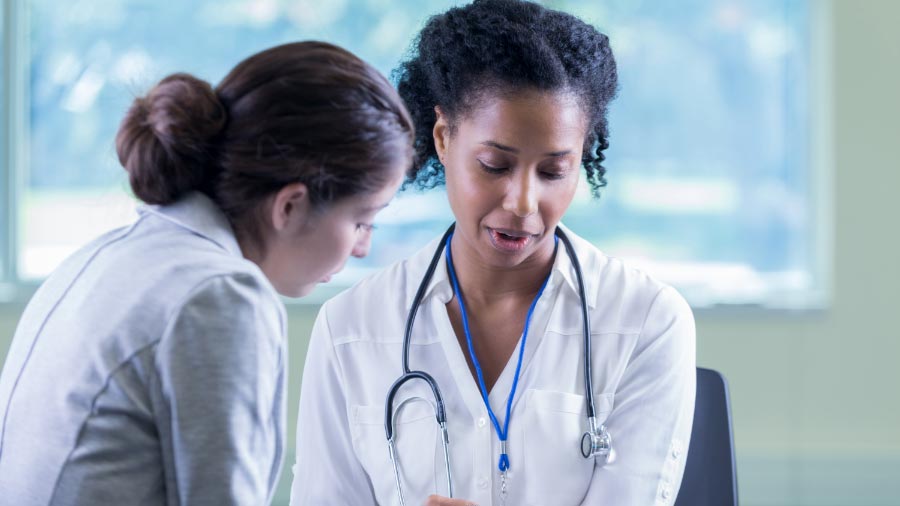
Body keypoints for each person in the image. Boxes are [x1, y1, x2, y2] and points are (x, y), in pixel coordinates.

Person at [290, 1, 696, 505]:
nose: (523, 203)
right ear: (442, 137)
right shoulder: (351, 328)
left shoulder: (646, 323)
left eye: (553, 172)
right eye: (495, 165)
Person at [0, 41, 413, 505]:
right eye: (361, 220)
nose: (363, 248)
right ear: (291, 205)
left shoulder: (110, 254)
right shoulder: (221, 296)